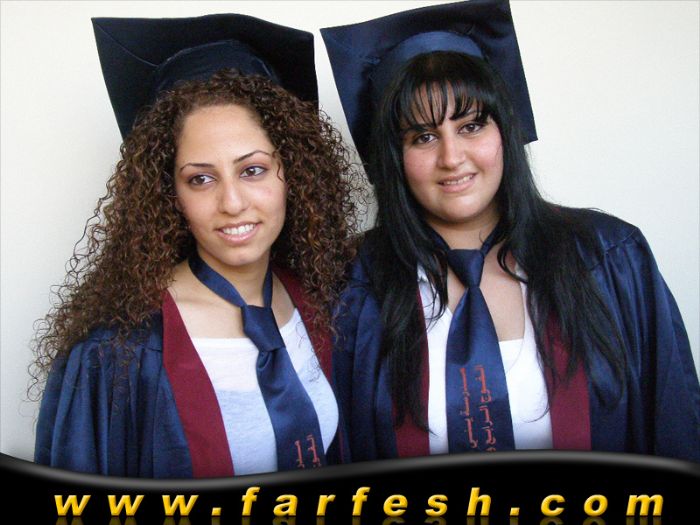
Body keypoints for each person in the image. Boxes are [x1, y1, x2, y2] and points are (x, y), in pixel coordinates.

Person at [321, 0, 700, 461]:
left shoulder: (609, 258)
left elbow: (674, 423)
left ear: (506, 130)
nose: (452, 158)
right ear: (393, 157)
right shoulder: (354, 286)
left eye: (472, 126)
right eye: (423, 136)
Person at [31, 14, 360, 477]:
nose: (232, 203)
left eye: (253, 170)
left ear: (294, 174)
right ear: (169, 194)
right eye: (201, 179)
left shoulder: (320, 303)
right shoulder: (116, 352)